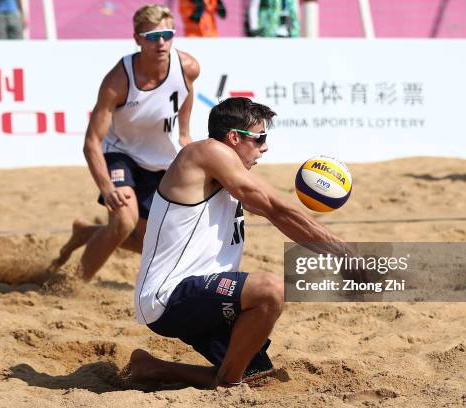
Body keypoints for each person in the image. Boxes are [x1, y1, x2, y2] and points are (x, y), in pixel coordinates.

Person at [127, 97, 351, 388]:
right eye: (260, 138)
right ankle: (227, 381)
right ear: (233, 137)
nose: (265, 147)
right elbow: (276, 207)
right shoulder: (206, 152)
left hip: (208, 297)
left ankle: (151, 368)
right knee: (270, 290)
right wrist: (345, 253)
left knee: (258, 378)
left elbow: (280, 217)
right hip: (170, 295)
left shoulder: (228, 178)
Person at [52, 4, 200, 282]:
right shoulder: (118, 80)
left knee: (151, 244)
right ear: (137, 39)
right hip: (121, 154)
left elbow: (185, 106)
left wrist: (185, 139)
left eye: (167, 35)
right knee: (122, 220)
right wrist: (106, 188)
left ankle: (85, 233)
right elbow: (91, 142)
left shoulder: (188, 67)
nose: (161, 43)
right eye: (152, 36)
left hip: (161, 161)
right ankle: (72, 284)